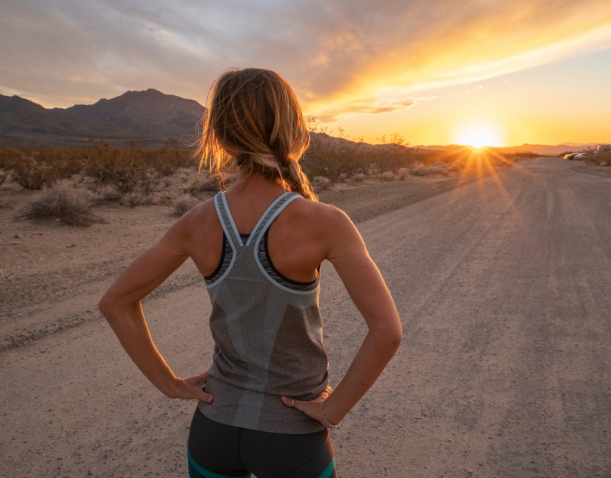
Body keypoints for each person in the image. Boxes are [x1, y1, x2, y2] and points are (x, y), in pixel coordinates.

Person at [99, 68, 402, 478]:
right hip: (292, 438)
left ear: (221, 138)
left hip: (213, 430)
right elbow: (387, 330)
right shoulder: (325, 222)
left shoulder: (198, 222)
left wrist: (170, 384)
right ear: (295, 131)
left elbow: (115, 301)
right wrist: (332, 409)